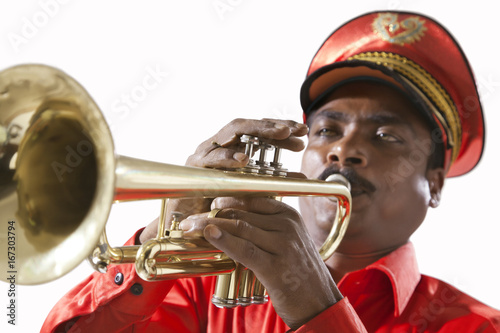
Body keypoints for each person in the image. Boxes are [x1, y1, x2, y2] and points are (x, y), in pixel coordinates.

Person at [42, 10, 500, 332]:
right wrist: (162, 235)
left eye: (385, 137)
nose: (343, 151)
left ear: (434, 184)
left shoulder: (476, 326)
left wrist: (316, 307)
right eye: (326, 130)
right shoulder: (200, 289)